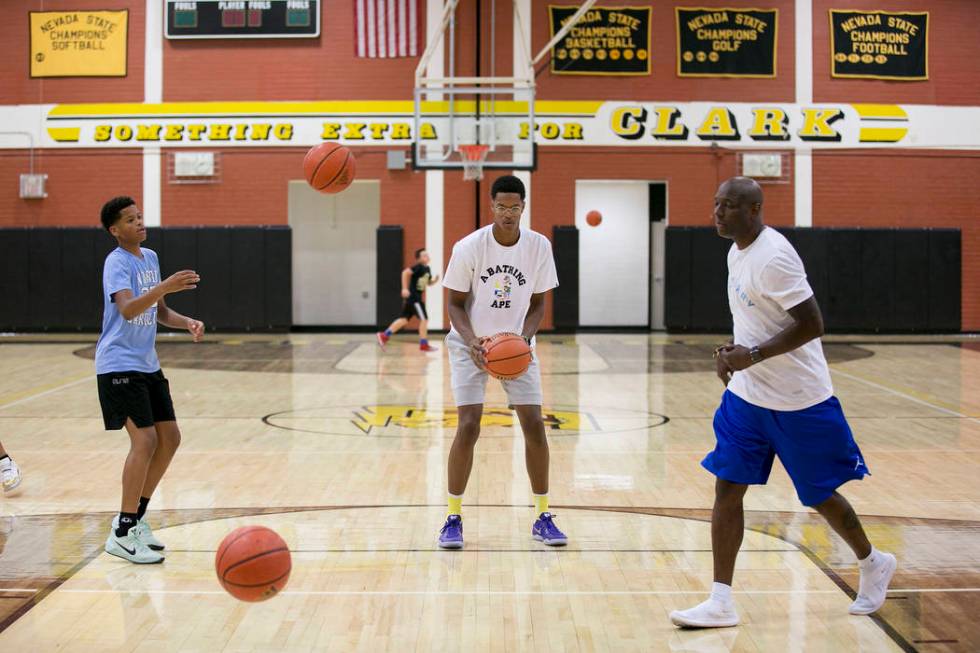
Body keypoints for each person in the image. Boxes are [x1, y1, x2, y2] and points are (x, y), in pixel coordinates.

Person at [669, 177, 895, 628]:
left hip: (799, 400)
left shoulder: (775, 257)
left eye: (729, 206)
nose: (717, 213)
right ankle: (720, 601)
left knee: (819, 495)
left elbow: (812, 324)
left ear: (754, 209)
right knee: (727, 487)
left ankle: (872, 562)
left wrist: (751, 355)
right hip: (748, 397)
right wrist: (736, 350)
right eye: (715, 204)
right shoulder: (736, 251)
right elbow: (756, 318)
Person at [436, 175, 565, 549]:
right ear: (491, 207)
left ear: (523, 207)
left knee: (534, 425)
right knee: (469, 425)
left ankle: (543, 515)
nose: (508, 213)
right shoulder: (469, 247)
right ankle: (452, 517)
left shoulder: (539, 247)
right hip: (469, 344)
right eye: (501, 206)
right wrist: (473, 341)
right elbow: (455, 305)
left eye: (515, 207)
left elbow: (539, 304)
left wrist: (523, 339)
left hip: (516, 344)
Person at [96, 196, 205, 564]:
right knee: (144, 440)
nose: (139, 223)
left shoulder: (151, 257)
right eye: (130, 220)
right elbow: (127, 309)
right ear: (115, 230)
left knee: (170, 438)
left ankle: (137, 519)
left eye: (139, 216)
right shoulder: (116, 262)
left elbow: (159, 312)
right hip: (118, 365)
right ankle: (123, 531)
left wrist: (185, 320)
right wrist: (164, 288)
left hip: (146, 364)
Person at [377, 248, 440, 352]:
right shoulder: (418, 267)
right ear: (419, 259)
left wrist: (435, 281)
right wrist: (404, 288)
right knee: (424, 319)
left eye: (427, 254)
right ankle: (423, 345)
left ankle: (384, 335)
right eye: (424, 255)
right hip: (415, 298)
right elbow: (405, 273)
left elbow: (427, 283)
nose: (427, 256)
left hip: (414, 299)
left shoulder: (427, 269)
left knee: (404, 320)